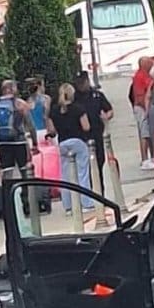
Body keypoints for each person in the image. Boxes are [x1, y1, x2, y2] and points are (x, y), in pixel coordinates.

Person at [46, 83, 94, 212]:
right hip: (78, 141)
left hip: (62, 143)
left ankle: (68, 206)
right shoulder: (78, 108)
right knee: (82, 173)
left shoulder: (54, 110)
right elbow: (86, 127)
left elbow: (52, 130)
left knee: (65, 175)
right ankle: (86, 203)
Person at [0, 79, 37, 176]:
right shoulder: (20, 104)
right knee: (24, 171)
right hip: (19, 142)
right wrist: (35, 144)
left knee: (7, 172)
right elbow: (31, 125)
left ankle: (7, 190)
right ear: (12, 89)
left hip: (3, 143)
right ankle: (24, 190)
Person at [73, 71, 114, 195]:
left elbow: (109, 110)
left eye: (82, 82)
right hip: (81, 136)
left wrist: (106, 116)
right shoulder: (74, 98)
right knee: (84, 167)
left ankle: (100, 192)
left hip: (96, 134)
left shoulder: (97, 95)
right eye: (78, 83)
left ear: (87, 81)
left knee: (99, 163)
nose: (80, 85)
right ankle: (88, 193)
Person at [129, 57, 154, 170]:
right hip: (142, 108)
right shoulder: (140, 77)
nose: (152, 64)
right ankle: (145, 159)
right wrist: (147, 110)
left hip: (144, 107)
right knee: (144, 133)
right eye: (150, 63)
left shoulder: (147, 75)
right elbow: (140, 96)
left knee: (148, 133)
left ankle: (152, 157)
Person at [25, 78, 52, 144]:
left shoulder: (28, 101)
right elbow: (46, 116)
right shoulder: (46, 99)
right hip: (44, 130)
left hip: (32, 132)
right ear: (39, 86)